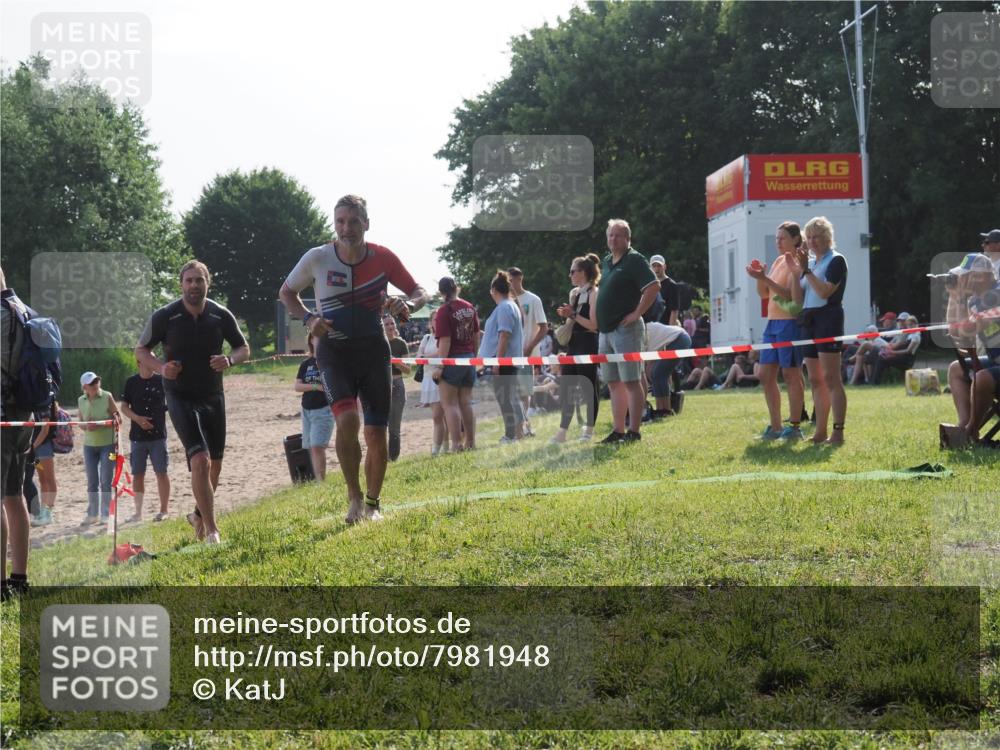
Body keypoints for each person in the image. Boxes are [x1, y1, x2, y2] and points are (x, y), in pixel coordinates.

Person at [279, 195, 428, 524]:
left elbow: (420, 292)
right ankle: (354, 497)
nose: (346, 228)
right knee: (347, 421)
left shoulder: (383, 257)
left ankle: (374, 503)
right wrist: (307, 319)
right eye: (340, 222)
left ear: (366, 223)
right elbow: (286, 293)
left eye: (353, 221)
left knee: (377, 433)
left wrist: (409, 305)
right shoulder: (317, 258)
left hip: (374, 351)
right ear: (335, 224)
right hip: (333, 352)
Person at [136, 260, 250, 544]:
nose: (194, 286)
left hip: (212, 395)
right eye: (189, 281)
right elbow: (141, 350)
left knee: (216, 465)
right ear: (181, 284)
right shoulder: (166, 316)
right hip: (179, 395)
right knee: (199, 458)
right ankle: (212, 531)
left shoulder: (220, 315)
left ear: (207, 283)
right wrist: (162, 368)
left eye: (199, 280)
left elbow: (242, 347)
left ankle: (198, 516)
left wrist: (230, 360)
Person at [596, 219, 660, 444]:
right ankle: (618, 430)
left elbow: (653, 287)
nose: (613, 239)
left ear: (627, 238)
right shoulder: (606, 261)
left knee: (632, 381)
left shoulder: (634, 259)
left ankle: (634, 431)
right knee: (613, 383)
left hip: (626, 330)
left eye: (618, 235)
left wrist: (636, 313)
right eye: (610, 235)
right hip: (606, 331)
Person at [788, 216, 848, 445]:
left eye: (817, 237)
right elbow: (797, 300)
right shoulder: (810, 263)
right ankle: (820, 432)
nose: (812, 242)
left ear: (827, 238)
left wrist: (806, 271)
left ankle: (838, 431)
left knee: (831, 378)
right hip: (808, 319)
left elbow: (824, 292)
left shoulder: (836, 261)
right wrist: (797, 273)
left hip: (828, 319)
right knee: (815, 379)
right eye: (809, 237)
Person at [745, 221, 808, 440]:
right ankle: (776, 427)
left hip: (789, 323)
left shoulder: (798, 263)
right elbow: (765, 293)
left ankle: (795, 426)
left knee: (791, 374)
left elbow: (790, 295)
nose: (778, 242)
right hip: (772, 322)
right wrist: (759, 277)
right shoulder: (780, 260)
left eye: (782, 238)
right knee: (764, 374)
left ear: (796, 240)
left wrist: (765, 278)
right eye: (776, 238)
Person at [944, 253, 1000, 446]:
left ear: (982, 276)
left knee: (982, 377)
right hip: (996, 360)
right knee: (956, 369)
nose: (963, 280)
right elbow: (956, 331)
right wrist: (955, 297)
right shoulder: (975, 301)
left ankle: (971, 430)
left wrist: (960, 300)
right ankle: (963, 424)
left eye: (966, 275)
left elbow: (969, 328)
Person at [1, 270, 33, 600]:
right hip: (24, 415)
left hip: (1, 415)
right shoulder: (24, 311)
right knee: (15, 495)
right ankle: (19, 580)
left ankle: (0, 587)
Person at [552, 253, 601, 443]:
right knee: (567, 389)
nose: (569, 275)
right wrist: (568, 315)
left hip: (588, 344)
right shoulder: (574, 293)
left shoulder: (595, 293)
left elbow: (594, 325)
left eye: (572, 271)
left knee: (589, 389)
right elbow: (572, 321)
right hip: (573, 344)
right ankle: (562, 432)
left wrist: (572, 314)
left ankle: (588, 430)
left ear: (583, 272)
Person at [119, 359, 172, 522]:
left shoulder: (162, 381)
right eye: (148, 360)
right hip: (137, 437)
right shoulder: (131, 382)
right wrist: (137, 418)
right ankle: (138, 512)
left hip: (158, 436)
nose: (151, 363)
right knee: (138, 475)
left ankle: (164, 510)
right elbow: (124, 407)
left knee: (161, 472)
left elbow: (172, 400)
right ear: (138, 363)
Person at [431, 277, 479, 453]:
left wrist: (440, 366)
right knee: (466, 402)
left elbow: (445, 340)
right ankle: (471, 443)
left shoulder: (444, 311)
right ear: (456, 288)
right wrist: (474, 355)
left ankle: (457, 444)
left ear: (441, 292)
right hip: (469, 358)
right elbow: (476, 334)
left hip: (452, 359)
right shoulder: (469, 306)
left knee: (449, 404)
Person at [479, 271, 525, 444]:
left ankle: (511, 434)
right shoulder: (509, 305)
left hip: (504, 360)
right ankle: (515, 433)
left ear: (493, 290)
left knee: (505, 398)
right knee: (507, 397)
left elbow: (504, 335)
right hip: (505, 359)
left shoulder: (505, 307)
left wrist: (497, 362)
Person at [77, 372, 121, 526]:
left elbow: (118, 419)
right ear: (84, 387)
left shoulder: (107, 396)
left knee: (105, 480)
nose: (95, 384)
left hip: (107, 444)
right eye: (92, 383)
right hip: (89, 445)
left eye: (96, 381)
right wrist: (87, 426)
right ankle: (92, 514)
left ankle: (106, 514)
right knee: (92, 481)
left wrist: (101, 424)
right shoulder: (80, 400)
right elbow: (81, 424)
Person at [508, 267, 547, 437]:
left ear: (519, 278)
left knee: (524, 392)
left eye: (511, 280)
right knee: (511, 393)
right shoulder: (506, 302)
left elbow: (544, 327)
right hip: (509, 356)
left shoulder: (533, 299)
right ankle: (518, 428)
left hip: (526, 355)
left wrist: (529, 347)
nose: (509, 284)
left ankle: (524, 428)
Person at [293, 336, 333, 480]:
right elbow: (297, 386)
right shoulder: (306, 363)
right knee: (310, 447)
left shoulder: (329, 361)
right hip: (306, 410)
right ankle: (317, 479)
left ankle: (321, 481)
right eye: (316, 337)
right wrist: (316, 386)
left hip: (324, 409)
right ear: (310, 341)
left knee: (317, 446)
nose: (319, 340)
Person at [644, 321, 692, 418]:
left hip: (680, 339)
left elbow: (648, 366)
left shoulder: (645, 334)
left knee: (658, 374)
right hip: (679, 338)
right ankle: (661, 409)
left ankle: (665, 410)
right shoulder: (646, 330)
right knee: (656, 374)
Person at [416, 316, 449, 455]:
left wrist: (427, 356)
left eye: (438, 318)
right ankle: (445, 446)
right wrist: (428, 356)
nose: (437, 321)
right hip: (428, 379)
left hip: (441, 378)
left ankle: (436, 449)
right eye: (434, 319)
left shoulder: (445, 338)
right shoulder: (427, 338)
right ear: (430, 323)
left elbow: (439, 353)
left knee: (439, 416)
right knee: (440, 417)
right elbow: (419, 356)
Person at [383, 314, 410, 461]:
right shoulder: (378, 343)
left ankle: (392, 457)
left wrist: (394, 360)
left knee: (394, 427)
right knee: (380, 425)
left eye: (392, 323)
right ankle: (381, 456)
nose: (390, 327)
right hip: (381, 386)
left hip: (398, 385)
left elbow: (407, 369)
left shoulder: (401, 343)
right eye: (386, 324)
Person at [28, 401, 58, 526]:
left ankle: (49, 512)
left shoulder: (45, 403)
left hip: (43, 446)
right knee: (42, 479)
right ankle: (43, 510)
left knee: (50, 479)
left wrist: (33, 447)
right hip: (35, 447)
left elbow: (45, 430)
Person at [870, 313, 921, 384]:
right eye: (908, 325)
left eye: (911, 325)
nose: (909, 327)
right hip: (900, 356)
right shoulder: (910, 334)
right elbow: (899, 344)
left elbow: (908, 351)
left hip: (906, 359)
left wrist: (893, 352)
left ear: (916, 324)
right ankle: (872, 380)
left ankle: (874, 382)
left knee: (881, 359)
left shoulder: (915, 336)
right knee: (878, 355)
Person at [649, 254, 680, 326]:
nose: (656, 268)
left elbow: (674, 310)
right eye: (654, 266)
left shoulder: (672, 285)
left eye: (659, 265)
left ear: (664, 267)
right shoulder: (648, 284)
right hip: (650, 326)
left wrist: (671, 329)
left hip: (664, 326)